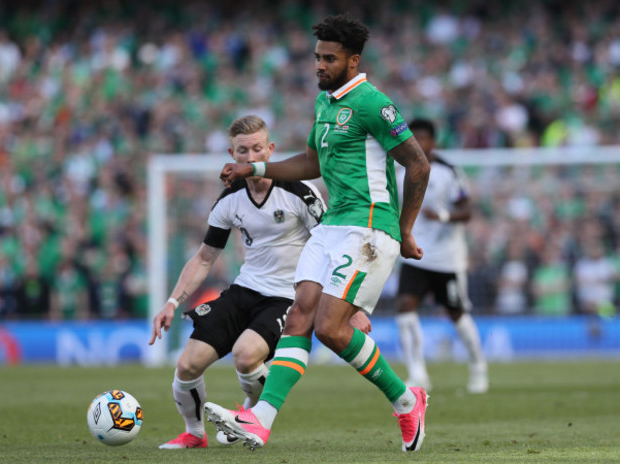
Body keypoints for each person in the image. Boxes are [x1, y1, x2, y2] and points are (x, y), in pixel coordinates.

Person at [204, 14, 431, 453]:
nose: (320, 65)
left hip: (368, 227)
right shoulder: (326, 104)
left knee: (330, 328)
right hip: (331, 227)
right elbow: (312, 164)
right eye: (317, 57)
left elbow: (418, 164)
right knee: (299, 316)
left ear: (353, 60)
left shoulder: (372, 103)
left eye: (330, 58)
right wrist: (253, 168)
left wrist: (404, 230)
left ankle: (407, 400)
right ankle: (261, 421)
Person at [148, 115, 327, 449]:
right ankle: (195, 434)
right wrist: (171, 302)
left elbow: (331, 244)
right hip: (245, 290)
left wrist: (345, 302)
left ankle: (251, 415)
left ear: (270, 150)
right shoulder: (229, 198)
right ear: (232, 153)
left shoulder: (300, 192)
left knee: (245, 356)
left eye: (258, 149)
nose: (250, 157)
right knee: (187, 365)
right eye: (243, 151)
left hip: (288, 297)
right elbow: (205, 257)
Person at [394, 118, 489, 394]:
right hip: (414, 254)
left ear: (433, 142)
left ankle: (478, 367)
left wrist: (443, 216)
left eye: (424, 138)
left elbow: (467, 211)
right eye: (414, 138)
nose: (419, 143)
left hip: (447, 257)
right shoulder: (400, 170)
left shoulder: (449, 171)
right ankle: (417, 373)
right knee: (404, 307)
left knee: (456, 312)